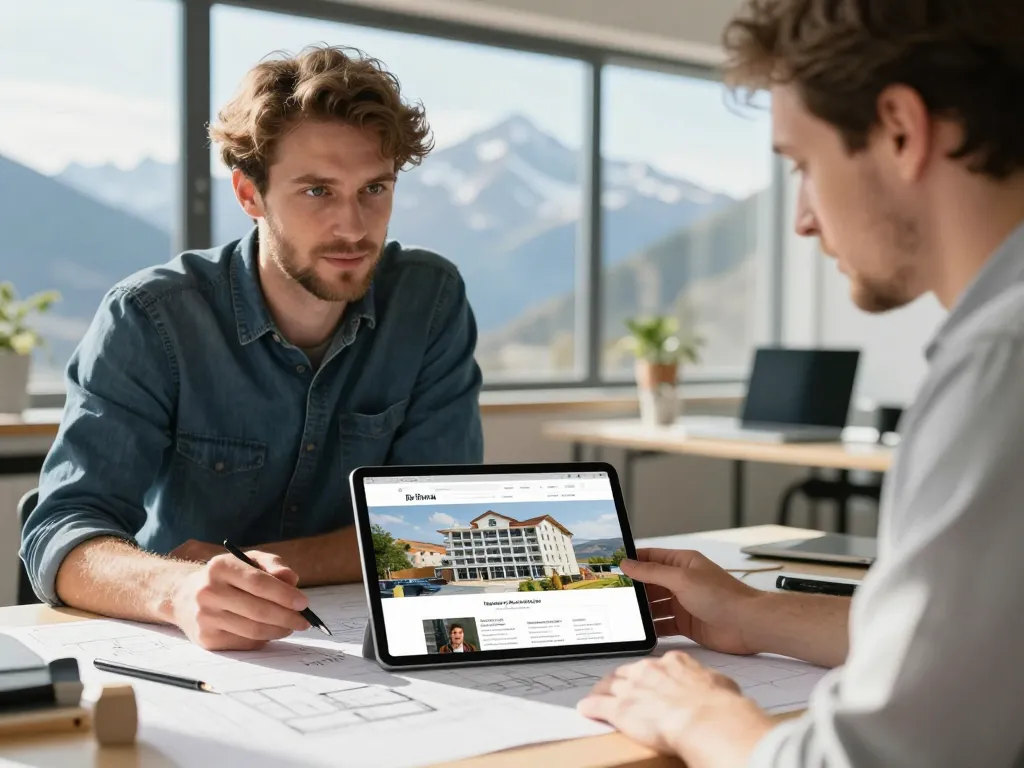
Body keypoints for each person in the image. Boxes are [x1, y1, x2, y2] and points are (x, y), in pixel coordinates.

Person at [578, 1, 1024, 766]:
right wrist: (750, 613)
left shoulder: (1001, 362)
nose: (803, 221)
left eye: (802, 165)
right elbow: (981, 646)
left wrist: (702, 717)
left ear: (899, 130)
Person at [20, 45, 483, 653]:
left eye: (374, 187)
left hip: (362, 642)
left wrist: (258, 565)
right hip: (185, 640)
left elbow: (445, 529)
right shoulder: (150, 317)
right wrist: (179, 588)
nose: (353, 226)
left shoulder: (430, 301)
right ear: (249, 195)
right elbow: (59, 534)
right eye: (317, 191)